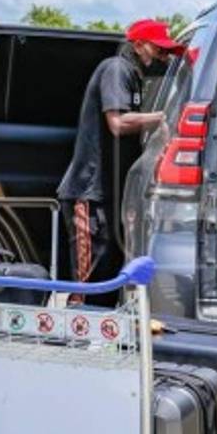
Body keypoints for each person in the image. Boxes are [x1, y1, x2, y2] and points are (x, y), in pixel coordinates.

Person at [57, 19, 180, 296]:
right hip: (90, 194)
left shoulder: (135, 77)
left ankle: (103, 334)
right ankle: (82, 333)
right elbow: (118, 122)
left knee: (110, 279)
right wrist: (164, 118)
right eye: (158, 50)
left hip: (110, 195)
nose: (163, 57)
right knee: (88, 284)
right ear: (137, 45)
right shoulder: (116, 69)